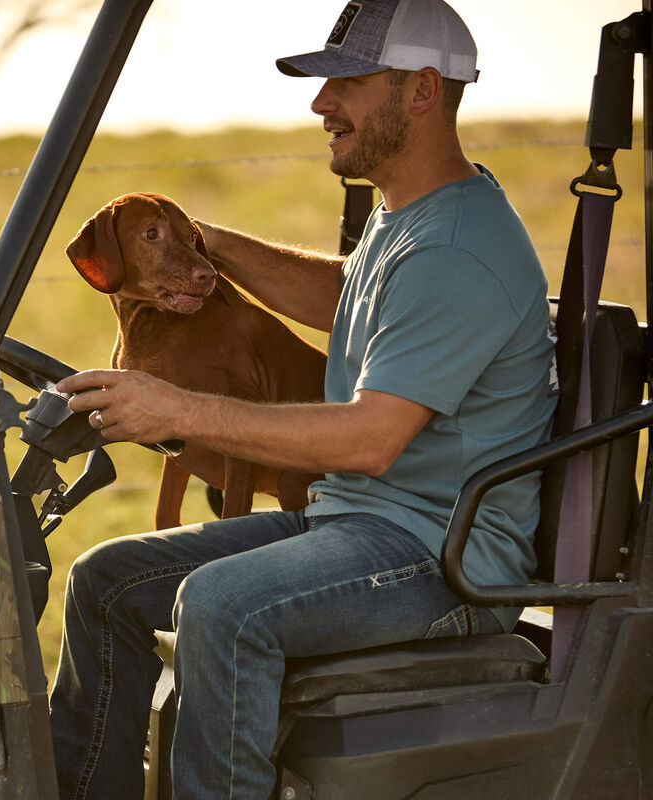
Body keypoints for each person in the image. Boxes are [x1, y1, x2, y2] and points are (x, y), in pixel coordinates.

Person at [49, 0, 558, 797]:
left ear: (420, 91)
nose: (322, 105)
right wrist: (194, 241)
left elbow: (369, 440)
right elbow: (342, 298)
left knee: (221, 606)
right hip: (358, 525)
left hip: (437, 559)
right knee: (103, 580)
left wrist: (176, 409)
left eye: (345, 84)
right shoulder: (413, 218)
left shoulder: (458, 246)